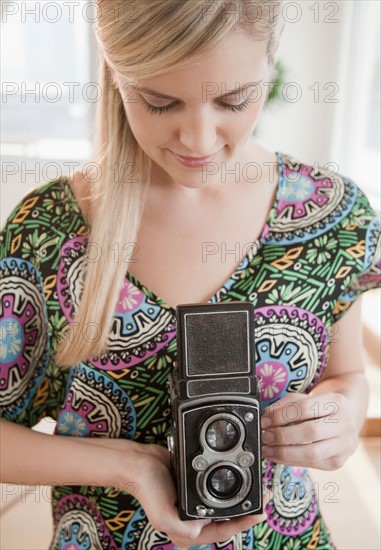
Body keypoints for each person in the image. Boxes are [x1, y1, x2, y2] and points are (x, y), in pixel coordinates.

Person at [1, 0, 380, 548]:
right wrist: (129, 466)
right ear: (116, 77)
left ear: (270, 65)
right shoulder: (49, 231)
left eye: (233, 99)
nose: (199, 142)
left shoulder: (331, 215)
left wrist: (340, 418)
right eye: (159, 102)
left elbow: (348, 377)